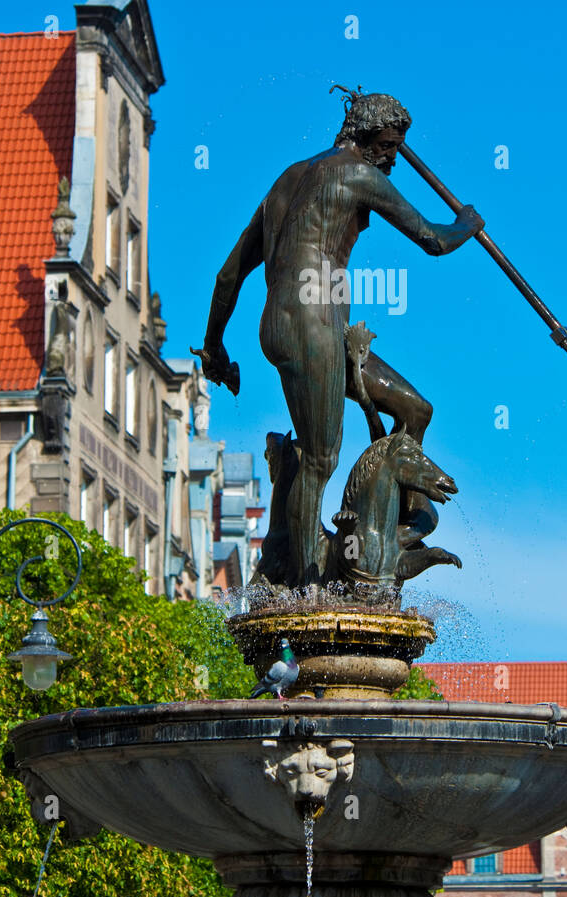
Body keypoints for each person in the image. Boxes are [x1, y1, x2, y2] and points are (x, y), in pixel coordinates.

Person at [195, 87, 484, 584]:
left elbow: (228, 275)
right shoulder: (357, 173)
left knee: (416, 410)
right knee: (319, 456)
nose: (394, 159)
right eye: (390, 148)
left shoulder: (288, 178)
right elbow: (433, 240)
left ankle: (390, 532)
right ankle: (303, 583)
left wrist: (216, 343)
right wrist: (468, 223)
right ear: (368, 138)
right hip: (313, 324)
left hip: (294, 325)